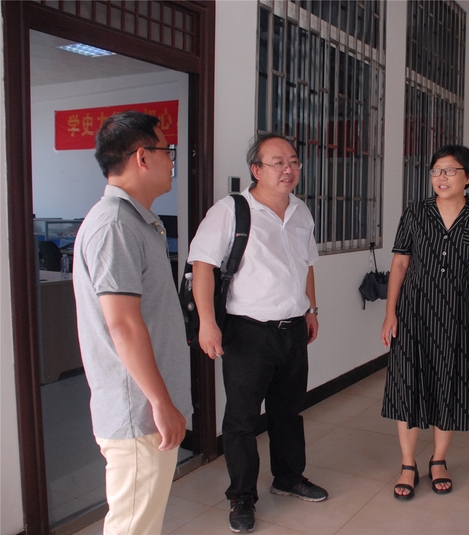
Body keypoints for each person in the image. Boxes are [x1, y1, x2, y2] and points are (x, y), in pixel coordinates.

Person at [188, 133, 326, 532]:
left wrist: (311, 309)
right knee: (242, 419)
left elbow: (307, 264)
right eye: (277, 162)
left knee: (288, 411)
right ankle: (242, 496)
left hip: (292, 328)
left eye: (294, 161)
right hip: (247, 332)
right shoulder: (231, 210)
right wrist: (207, 323)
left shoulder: (301, 211)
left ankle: (288, 477)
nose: (288, 169)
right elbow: (202, 265)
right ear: (256, 169)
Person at [73, 111, 191, 534]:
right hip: (138, 412)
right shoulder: (115, 226)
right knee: (132, 527)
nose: (172, 161)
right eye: (167, 150)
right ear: (143, 157)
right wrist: (160, 403)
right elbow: (122, 325)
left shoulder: (135, 221)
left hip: (145, 408)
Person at [381, 144, 469, 500]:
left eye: (449, 171)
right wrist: (390, 312)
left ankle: (439, 460)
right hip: (413, 312)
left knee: (449, 383)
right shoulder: (415, 213)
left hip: (456, 313)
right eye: (436, 171)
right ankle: (407, 463)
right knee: (408, 383)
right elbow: (400, 263)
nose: (441, 177)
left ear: (468, 177)